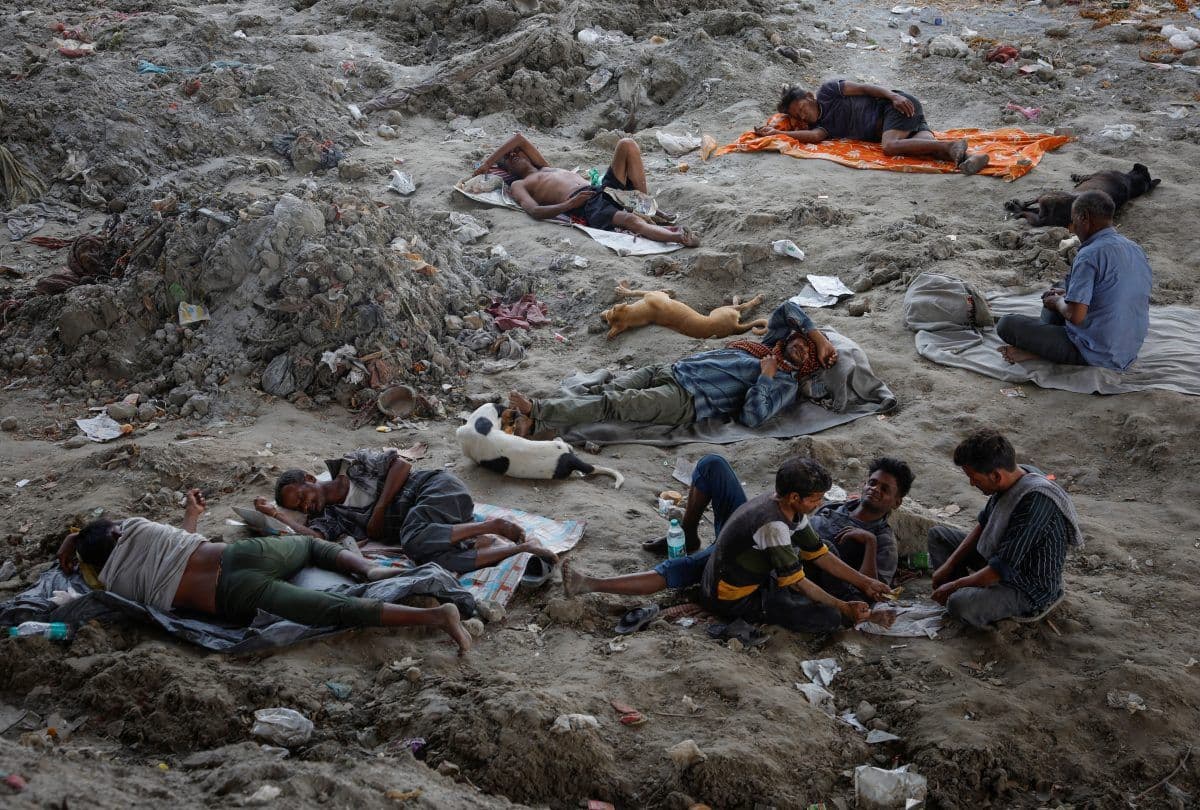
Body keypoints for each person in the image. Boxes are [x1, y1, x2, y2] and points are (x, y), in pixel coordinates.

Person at [55, 489, 472, 652]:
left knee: (334, 610)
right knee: (310, 546)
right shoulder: (140, 529)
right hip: (237, 557)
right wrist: (74, 537)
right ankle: (368, 568)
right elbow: (178, 542)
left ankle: (436, 617)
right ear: (117, 534)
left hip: (230, 598)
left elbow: (86, 571)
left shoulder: (116, 582)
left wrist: (76, 548)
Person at [563, 455, 909, 603]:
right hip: (764, 530)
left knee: (682, 569)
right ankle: (688, 533)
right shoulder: (835, 504)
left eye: (885, 490)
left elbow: (864, 589)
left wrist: (866, 545)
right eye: (873, 482)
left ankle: (591, 585)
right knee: (713, 465)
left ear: (896, 503)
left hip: (767, 556)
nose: (874, 490)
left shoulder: (881, 539)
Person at [506, 301, 838, 438]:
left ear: (806, 363)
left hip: (686, 398)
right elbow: (787, 309)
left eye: (807, 350)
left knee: (614, 406)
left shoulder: (784, 383)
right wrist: (818, 337)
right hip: (672, 370)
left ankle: (536, 409)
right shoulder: (770, 346)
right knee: (603, 392)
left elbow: (754, 417)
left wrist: (765, 380)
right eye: (800, 340)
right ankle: (534, 424)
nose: (800, 345)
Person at [257, 448, 558, 574]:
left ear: (309, 480)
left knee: (412, 539)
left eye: (301, 497)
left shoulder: (353, 463)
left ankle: (491, 526)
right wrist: (278, 515)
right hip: (432, 525)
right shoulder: (331, 517)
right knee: (434, 562)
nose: (305, 506)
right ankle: (519, 548)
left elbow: (401, 464)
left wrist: (381, 509)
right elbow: (314, 538)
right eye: (299, 507)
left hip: (436, 490)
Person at [927, 429, 1082, 627]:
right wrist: (948, 565)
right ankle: (971, 591)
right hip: (1001, 559)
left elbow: (998, 570)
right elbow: (983, 524)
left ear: (996, 476)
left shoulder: (1035, 502)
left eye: (974, 478)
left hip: (1027, 586)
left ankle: (974, 598)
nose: (971, 483)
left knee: (958, 604)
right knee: (938, 535)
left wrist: (953, 585)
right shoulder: (1014, 476)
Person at [698, 458, 872, 633]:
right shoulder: (773, 526)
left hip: (757, 575)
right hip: (734, 598)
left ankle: (840, 600)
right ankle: (841, 607)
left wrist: (866, 583)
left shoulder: (785, 504)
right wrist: (842, 607)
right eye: (816, 499)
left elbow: (819, 553)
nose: (819, 504)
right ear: (795, 497)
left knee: (825, 546)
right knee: (830, 617)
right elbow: (797, 583)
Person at [996, 190, 1152, 369]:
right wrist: (1065, 295)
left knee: (1007, 324)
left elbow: (1075, 316)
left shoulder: (1089, 255)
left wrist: (1058, 302)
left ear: (1084, 217)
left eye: (1073, 220)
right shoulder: (1135, 248)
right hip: (1127, 349)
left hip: (1097, 353)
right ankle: (1044, 345)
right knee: (1059, 289)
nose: (1071, 228)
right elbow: (1113, 291)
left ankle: (1038, 351)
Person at [474, 132, 700, 246]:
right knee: (630, 222)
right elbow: (533, 211)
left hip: (601, 189)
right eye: (508, 159)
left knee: (627, 145)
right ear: (508, 170)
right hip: (586, 205)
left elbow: (519, 139)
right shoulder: (519, 184)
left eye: (516, 152)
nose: (514, 155)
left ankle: (645, 207)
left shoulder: (545, 166)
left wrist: (488, 161)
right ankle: (679, 236)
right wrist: (570, 205)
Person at [762, 81, 990, 175]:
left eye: (802, 107)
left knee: (889, 147)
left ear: (810, 97)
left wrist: (892, 96)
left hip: (894, 107)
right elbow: (813, 136)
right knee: (929, 149)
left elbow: (864, 88)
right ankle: (970, 157)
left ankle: (952, 145)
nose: (803, 115)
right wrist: (779, 133)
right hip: (909, 123)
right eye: (797, 115)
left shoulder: (828, 91)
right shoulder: (822, 126)